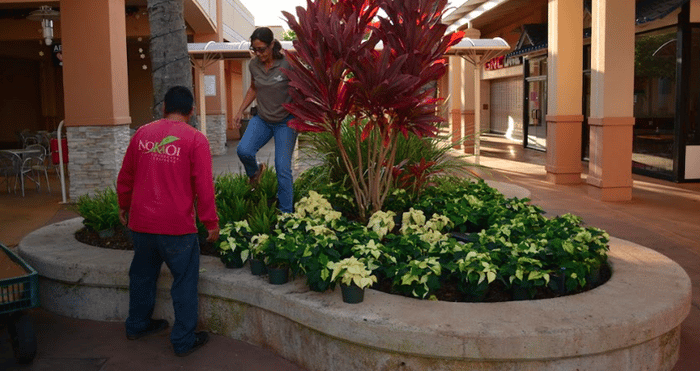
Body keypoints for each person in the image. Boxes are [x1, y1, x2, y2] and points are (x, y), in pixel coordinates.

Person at [116, 85, 219, 357]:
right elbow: (204, 186)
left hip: (142, 225)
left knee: (142, 276)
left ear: (163, 107)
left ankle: (137, 325)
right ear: (192, 111)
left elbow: (125, 175)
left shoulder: (142, 134)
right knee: (184, 282)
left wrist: (123, 206)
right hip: (177, 229)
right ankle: (183, 341)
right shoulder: (196, 139)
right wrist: (211, 222)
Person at [232, 26, 297, 213]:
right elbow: (253, 88)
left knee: (282, 168)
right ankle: (255, 172)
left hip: (285, 122)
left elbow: (300, 87)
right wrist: (239, 111)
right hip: (263, 119)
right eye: (255, 49)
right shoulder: (254, 65)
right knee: (244, 150)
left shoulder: (288, 63)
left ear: (272, 45)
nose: (258, 54)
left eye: (262, 49)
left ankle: (286, 213)